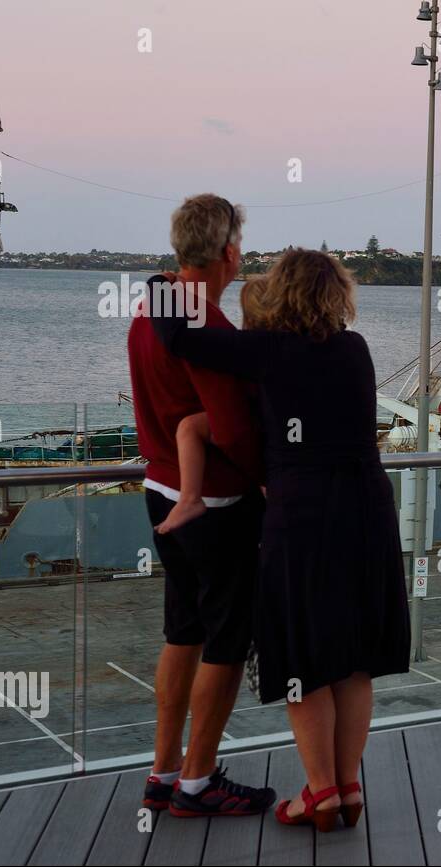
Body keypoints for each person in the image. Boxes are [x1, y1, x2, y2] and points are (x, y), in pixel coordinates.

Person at [147, 248, 411, 833]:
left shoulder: (270, 352)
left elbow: (180, 340)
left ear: (283, 295)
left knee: (303, 657)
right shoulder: (356, 350)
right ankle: (347, 785)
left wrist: (161, 283)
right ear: (336, 295)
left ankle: (319, 794)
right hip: (368, 511)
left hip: (303, 518)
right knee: (355, 659)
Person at [126, 193, 276, 817]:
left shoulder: (148, 311)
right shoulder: (208, 325)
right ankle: (198, 780)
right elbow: (231, 425)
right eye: (237, 242)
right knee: (226, 640)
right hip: (215, 504)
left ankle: (162, 773)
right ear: (226, 250)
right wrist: (269, 476)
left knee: (181, 632)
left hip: (161, 492)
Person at [153, 277, 272, 535]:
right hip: (278, 433)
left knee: (188, 428)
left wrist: (158, 284)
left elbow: (178, 336)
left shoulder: (246, 345)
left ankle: (189, 498)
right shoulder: (302, 344)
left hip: (252, 424)